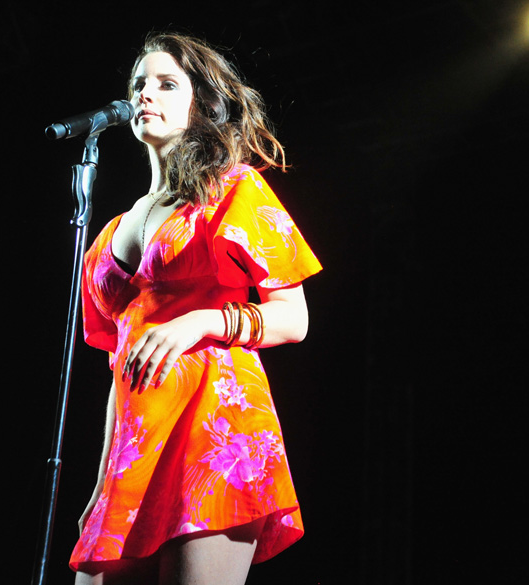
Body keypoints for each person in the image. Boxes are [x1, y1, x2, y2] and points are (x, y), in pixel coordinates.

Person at [69, 32, 322, 585]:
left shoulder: (232, 189)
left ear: (200, 105)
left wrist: (200, 322)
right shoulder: (109, 232)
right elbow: (121, 365)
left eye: (166, 84)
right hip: (136, 448)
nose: (145, 94)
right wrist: (101, 481)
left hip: (216, 427)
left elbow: (294, 318)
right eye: (139, 83)